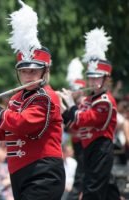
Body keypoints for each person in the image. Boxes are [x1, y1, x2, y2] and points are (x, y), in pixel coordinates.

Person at [0, 3, 65, 199]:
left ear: (45, 71)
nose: (28, 76)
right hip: (20, 173)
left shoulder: (46, 97)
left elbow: (22, 124)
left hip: (43, 172)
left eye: (33, 71)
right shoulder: (17, 98)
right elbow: (4, 132)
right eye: (24, 71)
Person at [59, 27, 120, 200]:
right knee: (106, 190)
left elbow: (83, 119)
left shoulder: (105, 102)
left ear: (106, 79)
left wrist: (71, 104)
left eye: (97, 78)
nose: (93, 82)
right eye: (91, 77)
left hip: (101, 148)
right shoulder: (88, 100)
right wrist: (61, 106)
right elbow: (73, 123)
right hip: (89, 149)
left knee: (91, 192)